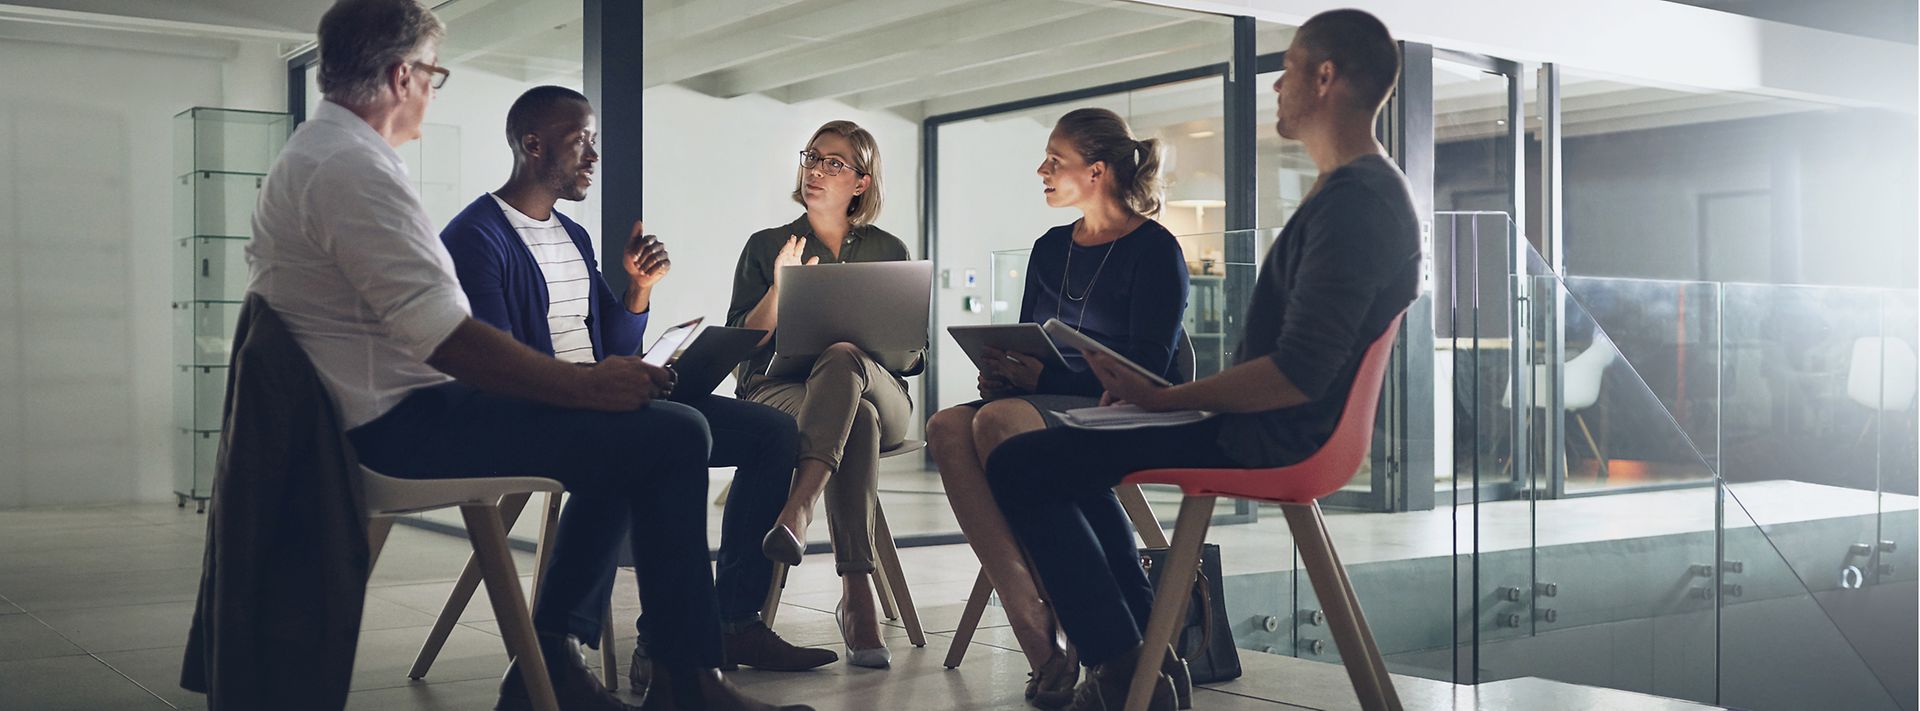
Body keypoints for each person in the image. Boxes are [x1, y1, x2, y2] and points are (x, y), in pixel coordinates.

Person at [249, 3, 809, 710]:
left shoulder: (325, 156)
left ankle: (558, 666)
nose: (432, 87)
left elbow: (469, 333)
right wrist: (588, 388)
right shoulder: (355, 170)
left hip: (399, 411)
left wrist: (613, 356)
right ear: (400, 75)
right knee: (669, 436)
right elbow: (451, 339)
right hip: (403, 424)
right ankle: (682, 678)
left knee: (644, 436)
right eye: (432, 73)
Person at [984, 10, 1421, 711]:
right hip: (1274, 422)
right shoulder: (1352, 192)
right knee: (1069, 449)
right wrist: (1159, 397)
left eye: (1287, 71)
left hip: (1278, 433)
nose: (1276, 86)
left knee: (1020, 463)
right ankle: (1133, 658)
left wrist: (1163, 399)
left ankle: (1124, 664)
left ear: (1326, 78)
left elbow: (1299, 372)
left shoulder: (1357, 203)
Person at [437, 85, 840, 696]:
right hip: (543, 405)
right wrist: (593, 387)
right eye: (581, 143)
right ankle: (620, 656)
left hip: (599, 392)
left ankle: (733, 620)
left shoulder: (571, 237)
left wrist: (637, 291)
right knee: (663, 436)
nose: (594, 157)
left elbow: (617, 344)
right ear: (531, 145)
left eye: (595, 142)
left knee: (772, 432)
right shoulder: (476, 237)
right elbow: (497, 364)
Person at [924, 108, 1188, 709]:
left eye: (1054, 160)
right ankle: (1035, 629)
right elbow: (1027, 336)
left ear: (1095, 172)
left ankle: (1082, 635)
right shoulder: (1049, 248)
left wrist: (1047, 375)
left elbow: (1149, 363)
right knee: (946, 426)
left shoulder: (1155, 250)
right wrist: (1003, 369)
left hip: (1125, 404)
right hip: (1046, 396)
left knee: (997, 423)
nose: (1040, 169)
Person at [725, 120, 913, 669]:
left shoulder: (888, 248)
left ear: (861, 181)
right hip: (780, 390)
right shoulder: (767, 246)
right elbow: (745, 346)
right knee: (853, 422)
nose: (816, 169)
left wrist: (868, 337)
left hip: (881, 388)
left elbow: (910, 358)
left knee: (844, 359)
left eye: (834, 163)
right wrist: (781, 287)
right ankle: (858, 597)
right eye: (813, 157)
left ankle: (801, 505)